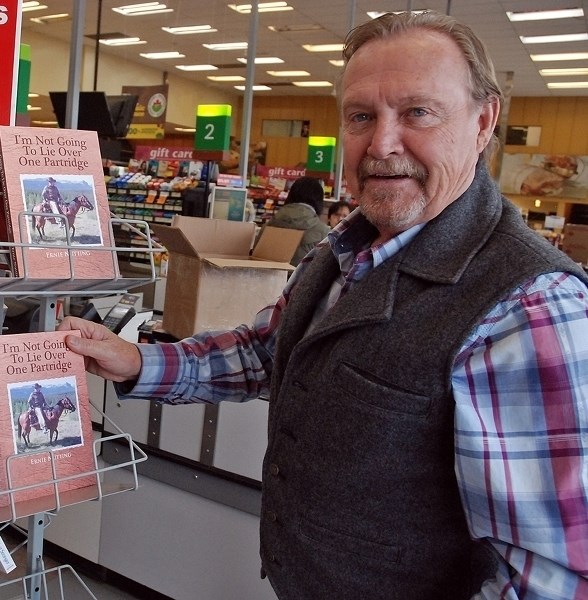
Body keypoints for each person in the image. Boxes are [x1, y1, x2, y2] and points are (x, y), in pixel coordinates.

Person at [58, 10, 588, 600]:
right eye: (362, 116)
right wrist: (137, 361)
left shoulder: (530, 306)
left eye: (417, 112)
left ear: (483, 121)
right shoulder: (343, 252)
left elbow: (551, 575)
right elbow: (267, 349)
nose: (383, 143)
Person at [261, 176, 330, 266]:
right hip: (303, 280)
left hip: (267, 278)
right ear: (319, 201)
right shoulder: (323, 232)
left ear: (290, 196)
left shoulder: (267, 226)